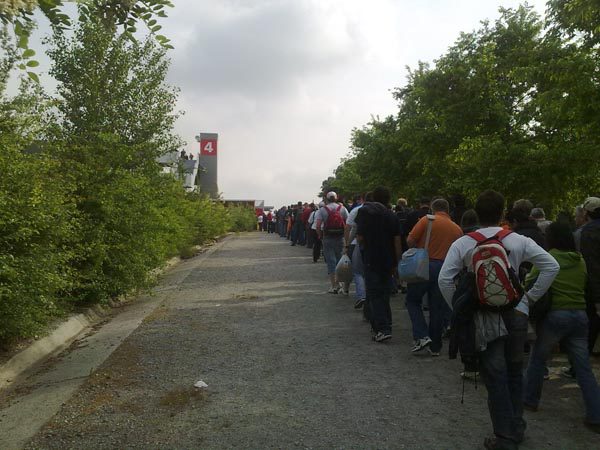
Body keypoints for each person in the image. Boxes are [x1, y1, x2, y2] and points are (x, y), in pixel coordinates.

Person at [438, 190, 559, 450]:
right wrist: (529, 299)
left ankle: (504, 438)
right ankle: (516, 428)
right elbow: (551, 266)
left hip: (483, 319)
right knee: (515, 372)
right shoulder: (517, 240)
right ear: (503, 212)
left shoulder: (464, 243)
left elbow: (444, 280)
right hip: (515, 313)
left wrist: (460, 309)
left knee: (495, 377)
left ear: (477, 213)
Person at [523, 222, 600, 434]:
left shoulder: (547, 258)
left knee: (538, 358)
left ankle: (529, 399)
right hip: (580, 315)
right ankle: (595, 414)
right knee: (583, 367)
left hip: (555, 315)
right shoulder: (581, 260)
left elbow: (531, 281)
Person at [405, 198, 463, 355]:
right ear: (448, 210)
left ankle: (421, 335)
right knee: (437, 307)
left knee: (412, 300)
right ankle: (435, 346)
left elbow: (410, 240)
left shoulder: (427, 220)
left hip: (424, 265)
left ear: (432, 208)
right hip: (444, 269)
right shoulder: (457, 229)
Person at [355, 186, 402, 342]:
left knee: (374, 294)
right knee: (384, 293)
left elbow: (360, 237)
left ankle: (382, 328)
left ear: (373, 197)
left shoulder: (365, 213)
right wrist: (397, 262)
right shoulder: (391, 215)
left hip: (371, 257)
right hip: (388, 259)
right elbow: (397, 241)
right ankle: (386, 325)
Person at [316, 192, 349, 293]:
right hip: (340, 237)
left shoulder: (322, 210)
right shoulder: (342, 209)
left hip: (328, 237)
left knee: (330, 261)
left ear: (326, 199)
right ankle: (342, 284)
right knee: (340, 260)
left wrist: (320, 235)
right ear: (336, 198)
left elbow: (318, 225)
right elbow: (348, 224)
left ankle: (334, 285)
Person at [580, 197, 600, 356]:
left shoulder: (588, 231)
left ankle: (580, 363)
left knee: (591, 323)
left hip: (593, 285)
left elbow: (590, 262)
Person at [345, 194, 366, 308]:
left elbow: (350, 228)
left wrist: (347, 243)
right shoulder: (385, 211)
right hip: (378, 245)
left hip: (357, 244)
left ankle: (361, 295)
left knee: (357, 271)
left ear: (362, 199)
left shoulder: (357, 211)